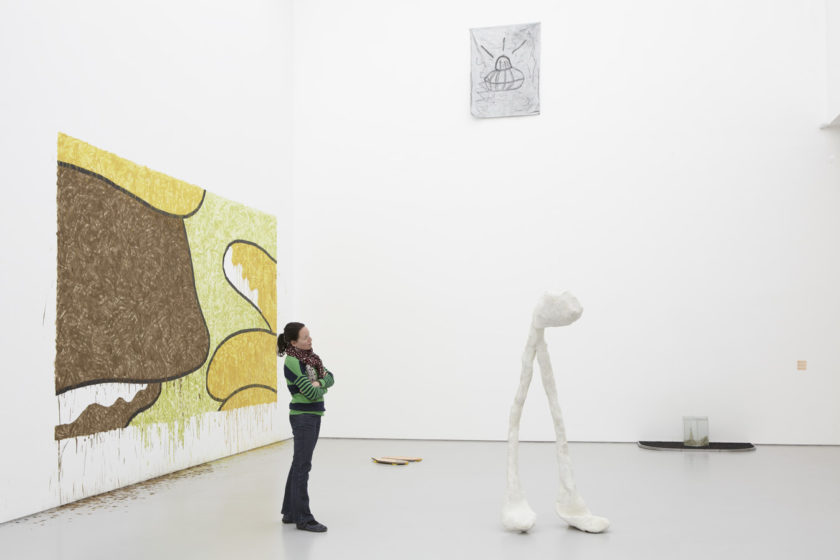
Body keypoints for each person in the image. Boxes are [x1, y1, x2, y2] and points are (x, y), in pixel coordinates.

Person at [278, 322, 335, 533]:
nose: (310, 340)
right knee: (303, 466)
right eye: (305, 337)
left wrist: (319, 384)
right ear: (293, 342)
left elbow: (331, 378)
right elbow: (309, 394)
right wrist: (321, 387)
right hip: (303, 417)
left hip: (314, 414)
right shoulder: (293, 362)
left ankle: (290, 512)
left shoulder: (312, 359)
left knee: (298, 464)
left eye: (309, 336)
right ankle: (303, 518)